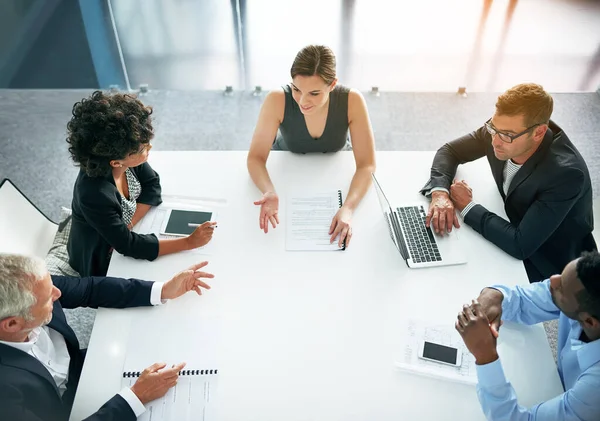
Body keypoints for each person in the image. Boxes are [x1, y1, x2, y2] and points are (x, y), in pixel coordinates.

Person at [0, 253, 214, 421]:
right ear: (12, 324)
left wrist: (163, 290)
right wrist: (136, 398)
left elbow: (90, 289)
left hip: (88, 368)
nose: (58, 294)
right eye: (48, 298)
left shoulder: (32, 285)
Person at [421, 83, 595, 282]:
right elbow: (450, 151)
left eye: (506, 135)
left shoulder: (567, 174)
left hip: (544, 260)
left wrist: (468, 206)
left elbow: (520, 245)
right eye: (493, 128)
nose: (494, 140)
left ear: (538, 133)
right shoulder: (502, 130)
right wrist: (440, 193)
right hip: (507, 217)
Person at [66, 91, 216, 277]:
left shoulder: (125, 156)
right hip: (101, 256)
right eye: (143, 148)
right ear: (115, 162)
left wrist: (129, 224)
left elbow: (152, 184)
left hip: (127, 235)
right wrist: (188, 243)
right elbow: (127, 246)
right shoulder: (93, 194)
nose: (149, 148)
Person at [247, 45, 376, 247]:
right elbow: (255, 158)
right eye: (297, 89)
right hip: (288, 170)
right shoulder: (277, 99)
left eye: (314, 93)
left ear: (332, 85)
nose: (302, 101)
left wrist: (348, 208)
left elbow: (366, 164)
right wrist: (268, 190)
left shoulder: (352, 100)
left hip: (335, 170)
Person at [455, 251, 600, 420]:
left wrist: (485, 357)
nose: (552, 280)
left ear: (589, 322)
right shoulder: (586, 298)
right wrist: (496, 296)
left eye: (561, 287)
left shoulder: (594, 389)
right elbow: (524, 299)